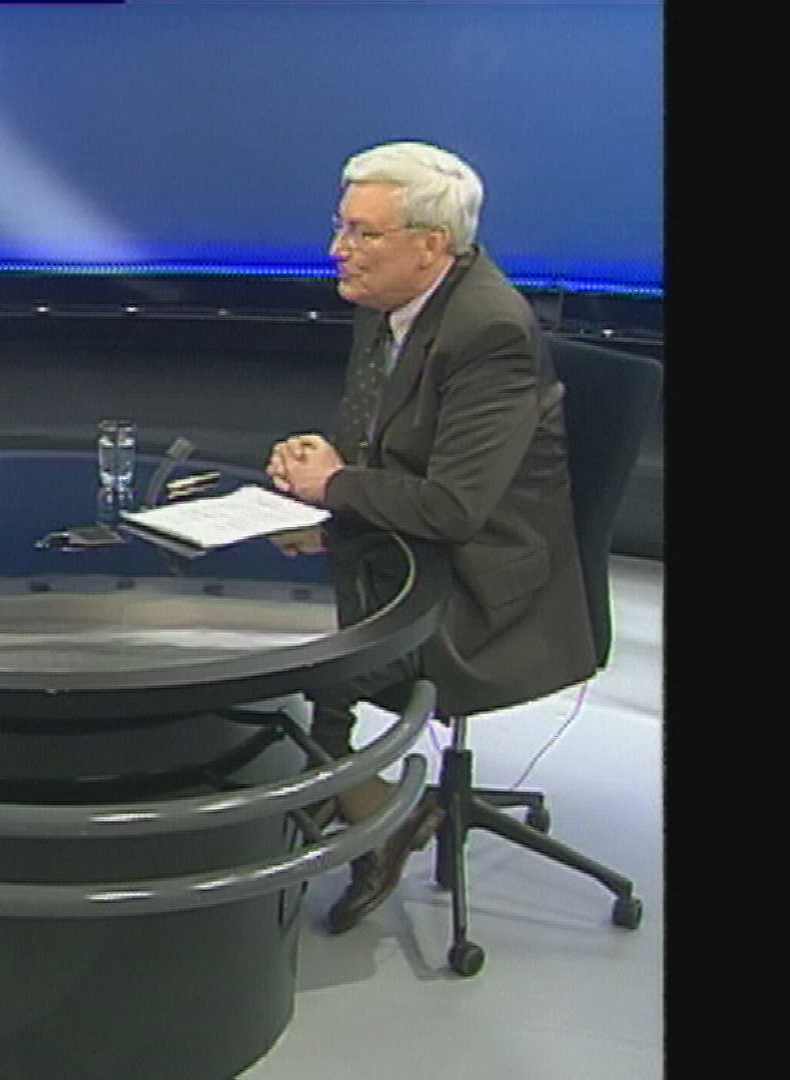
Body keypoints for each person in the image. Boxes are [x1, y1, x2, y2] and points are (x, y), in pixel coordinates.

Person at [267, 141, 597, 935]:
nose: (338, 250)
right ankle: (352, 799)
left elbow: (454, 507)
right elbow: (376, 442)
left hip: (485, 586)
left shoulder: (488, 331)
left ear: (431, 245)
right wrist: (321, 469)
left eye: (363, 234)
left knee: (313, 658)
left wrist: (335, 488)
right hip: (404, 545)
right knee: (282, 627)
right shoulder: (386, 301)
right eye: (340, 227)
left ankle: (364, 812)